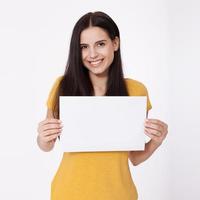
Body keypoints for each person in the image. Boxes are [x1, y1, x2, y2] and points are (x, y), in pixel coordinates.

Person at [37, 11, 168, 200]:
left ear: (115, 43)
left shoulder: (136, 91)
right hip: (68, 193)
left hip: (119, 194)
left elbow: (135, 157)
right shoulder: (63, 86)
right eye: (83, 46)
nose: (92, 54)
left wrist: (157, 140)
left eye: (100, 44)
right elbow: (46, 146)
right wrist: (43, 136)